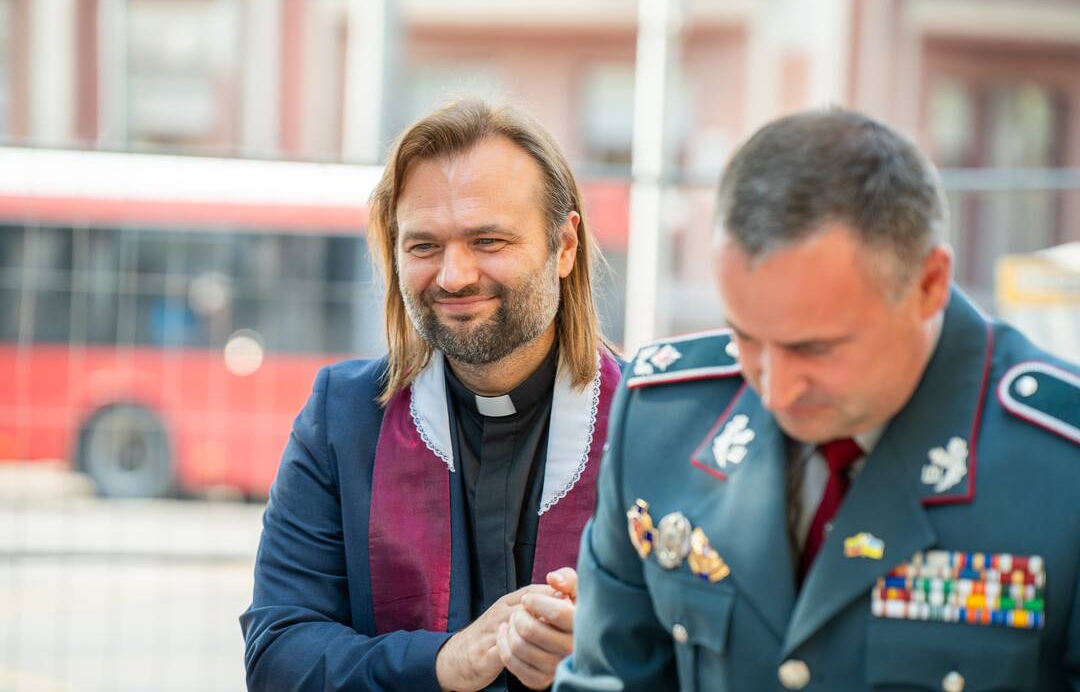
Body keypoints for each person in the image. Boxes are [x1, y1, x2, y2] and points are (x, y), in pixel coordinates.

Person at [556, 109, 1080, 691]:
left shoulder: (1061, 463)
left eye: (817, 348)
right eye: (746, 337)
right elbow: (607, 678)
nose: (775, 389)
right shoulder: (663, 420)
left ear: (929, 284)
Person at [241, 99, 623, 692]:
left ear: (565, 246)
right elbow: (278, 654)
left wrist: (602, 653)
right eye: (423, 247)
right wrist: (445, 661)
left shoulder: (648, 424)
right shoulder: (342, 420)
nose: (454, 276)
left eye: (489, 240)